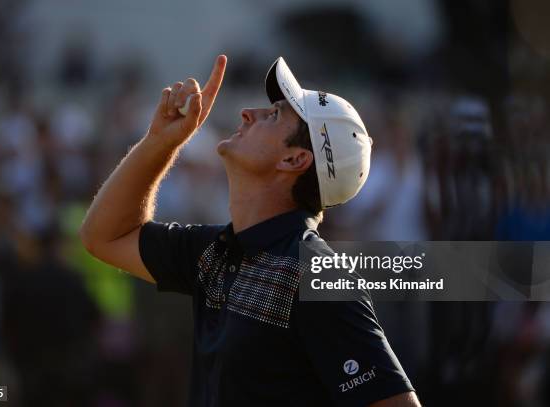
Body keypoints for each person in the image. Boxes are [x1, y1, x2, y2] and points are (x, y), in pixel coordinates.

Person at [80, 55, 420, 406]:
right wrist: (159, 142)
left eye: (273, 115)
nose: (247, 113)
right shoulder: (215, 250)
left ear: (294, 160)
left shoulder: (319, 276)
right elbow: (102, 236)